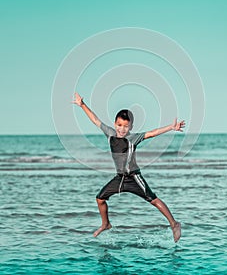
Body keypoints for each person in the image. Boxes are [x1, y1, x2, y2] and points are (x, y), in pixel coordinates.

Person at [72, 92, 185, 242]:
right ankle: (106, 224)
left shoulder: (133, 138)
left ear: (131, 126)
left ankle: (174, 224)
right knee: (100, 198)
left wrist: (171, 127)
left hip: (134, 177)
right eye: (119, 125)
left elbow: (152, 133)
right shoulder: (110, 134)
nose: (122, 129)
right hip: (119, 178)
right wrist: (82, 105)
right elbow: (95, 120)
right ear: (115, 124)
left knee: (153, 200)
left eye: (126, 126)